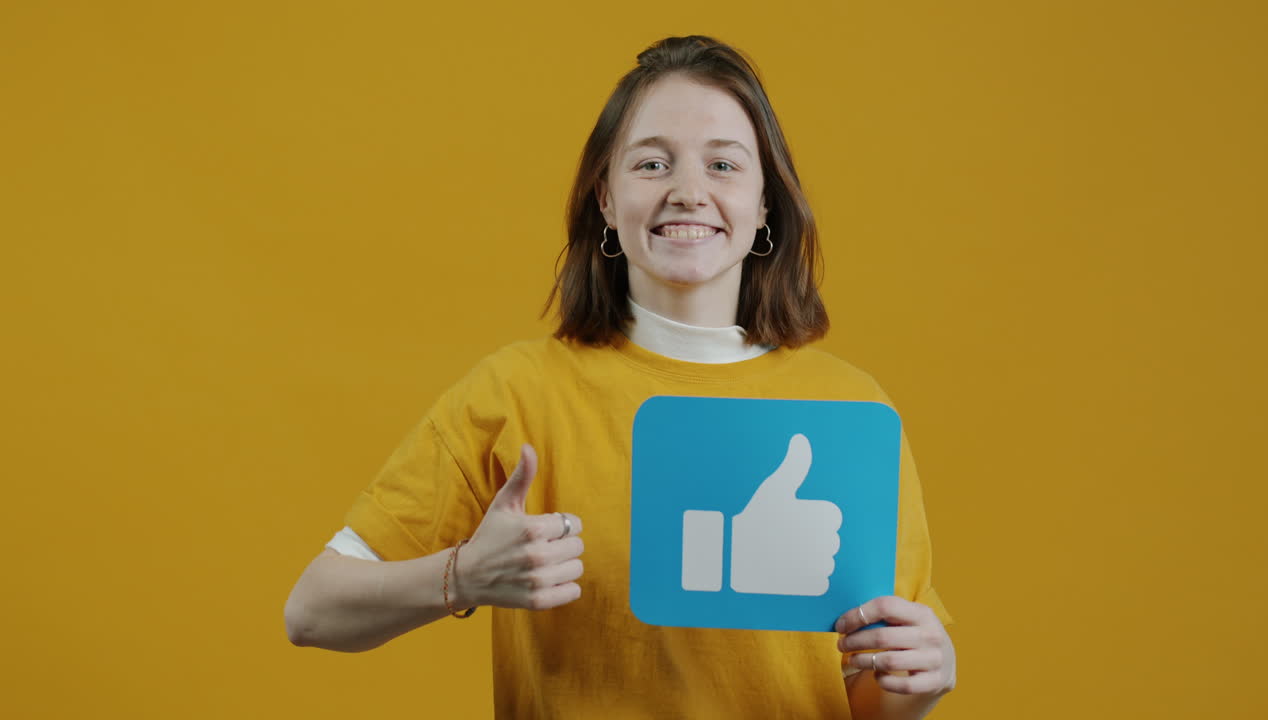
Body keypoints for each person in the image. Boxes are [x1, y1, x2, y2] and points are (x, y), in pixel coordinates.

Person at [285, 35, 957, 719]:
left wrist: (921, 684)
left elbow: (874, 695)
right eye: (652, 163)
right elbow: (312, 610)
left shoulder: (849, 411)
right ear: (606, 199)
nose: (688, 192)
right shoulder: (518, 393)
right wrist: (463, 576)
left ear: (764, 209)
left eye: (723, 164)